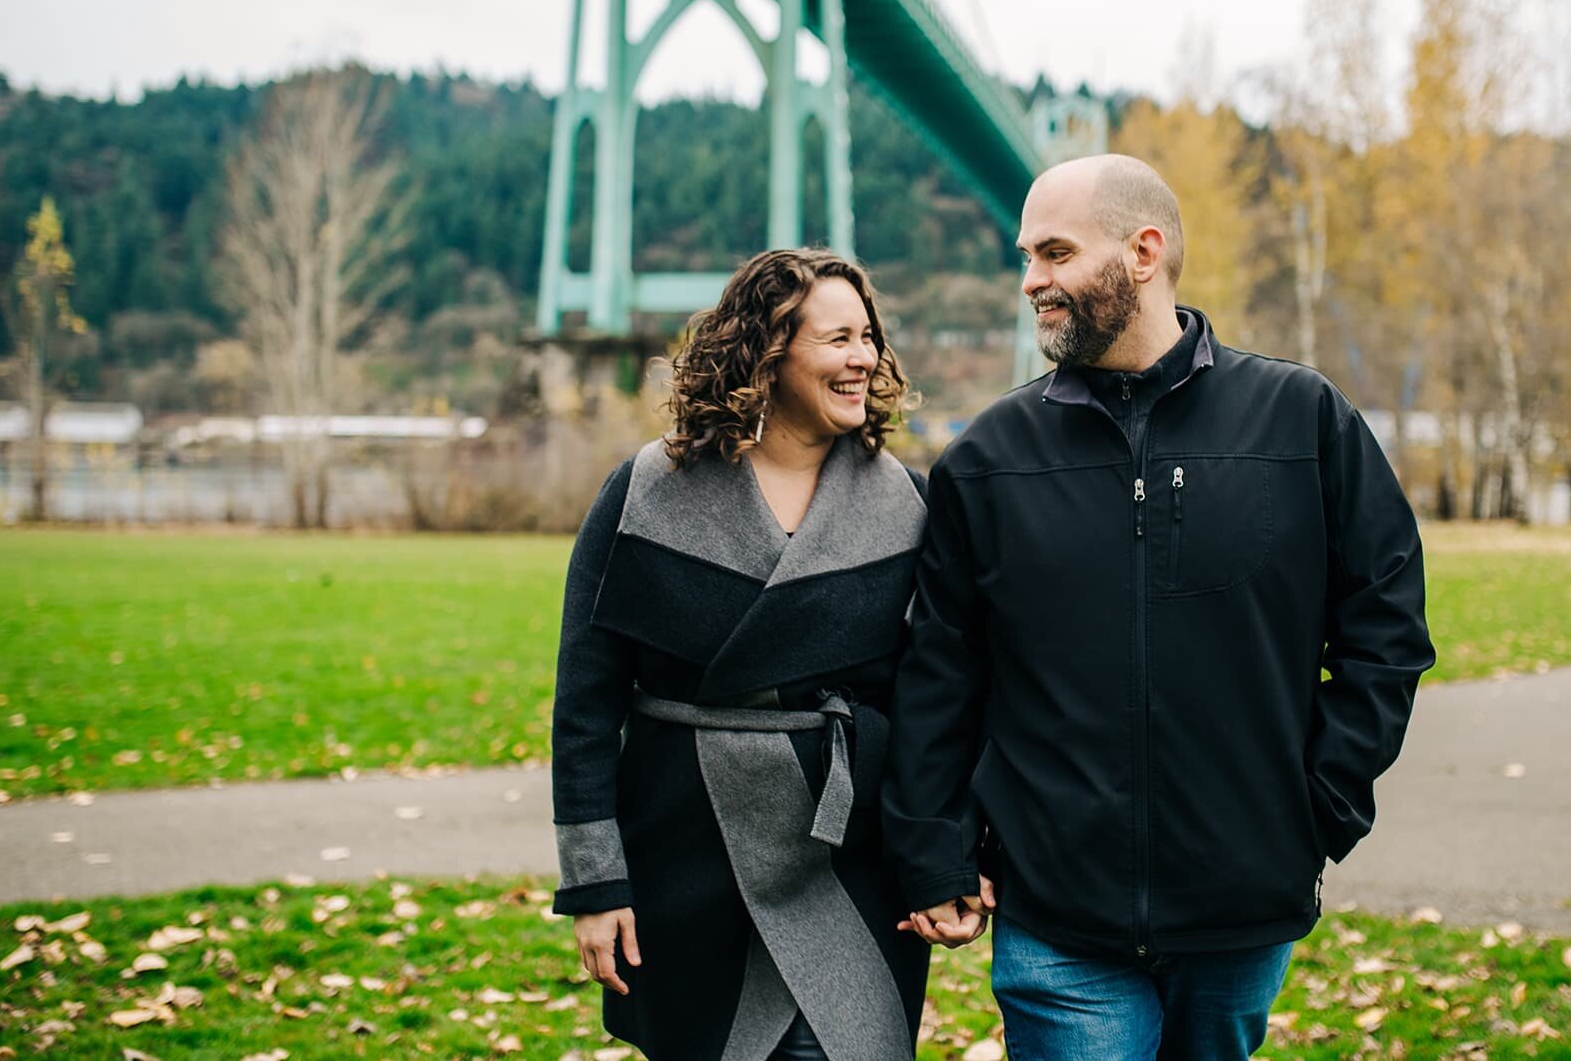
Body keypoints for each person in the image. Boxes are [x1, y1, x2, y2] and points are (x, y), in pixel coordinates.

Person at [882, 155, 1434, 1060]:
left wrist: (1318, 809)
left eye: (1055, 252)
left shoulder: (1302, 422)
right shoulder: (988, 458)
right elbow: (942, 670)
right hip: (1057, 913)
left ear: (1144, 252)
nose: (1032, 281)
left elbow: (1387, 631)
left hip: (1243, 903)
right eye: (1028, 256)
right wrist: (936, 850)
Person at [552, 248, 930, 1060]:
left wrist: (947, 858)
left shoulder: (905, 503)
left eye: (868, 337)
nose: (864, 356)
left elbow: (936, 701)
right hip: (689, 868)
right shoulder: (647, 493)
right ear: (767, 351)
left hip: (849, 864)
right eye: (837, 339)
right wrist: (594, 882)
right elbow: (586, 702)